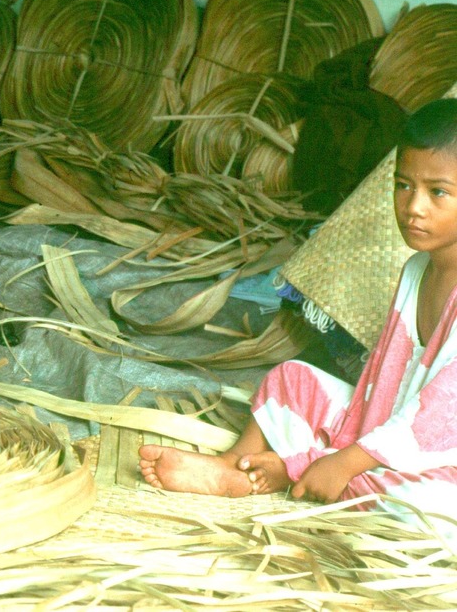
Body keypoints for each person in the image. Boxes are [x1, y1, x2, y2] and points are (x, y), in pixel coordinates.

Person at [139, 97, 457, 536]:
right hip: (386, 435)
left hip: (442, 457)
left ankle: (296, 470)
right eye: (403, 185)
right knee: (292, 378)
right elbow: (379, 383)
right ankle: (238, 465)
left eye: (438, 192)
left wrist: (345, 460)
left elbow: (441, 416)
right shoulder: (416, 269)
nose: (414, 206)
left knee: (426, 506)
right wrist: (350, 449)